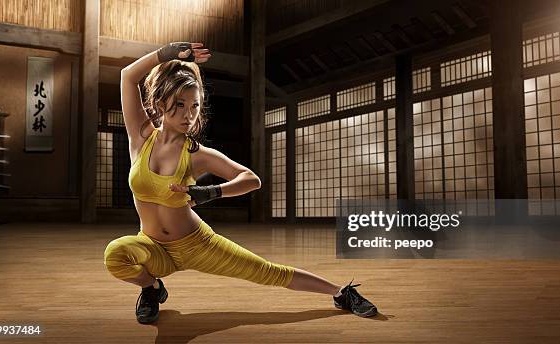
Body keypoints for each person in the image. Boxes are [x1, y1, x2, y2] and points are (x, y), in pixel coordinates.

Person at [103, 41, 378, 324]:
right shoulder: (140, 137)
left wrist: (207, 192)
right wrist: (168, 52)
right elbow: (128, 75)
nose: (189, 115)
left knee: (269, 271)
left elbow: (251, 179)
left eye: (195, 106)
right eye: (180, 105)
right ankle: (152, 288)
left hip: (198, 245)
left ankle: (341, 292)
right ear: (161, 104)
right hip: (153, 247)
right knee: (116, 254)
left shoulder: (197, 155)